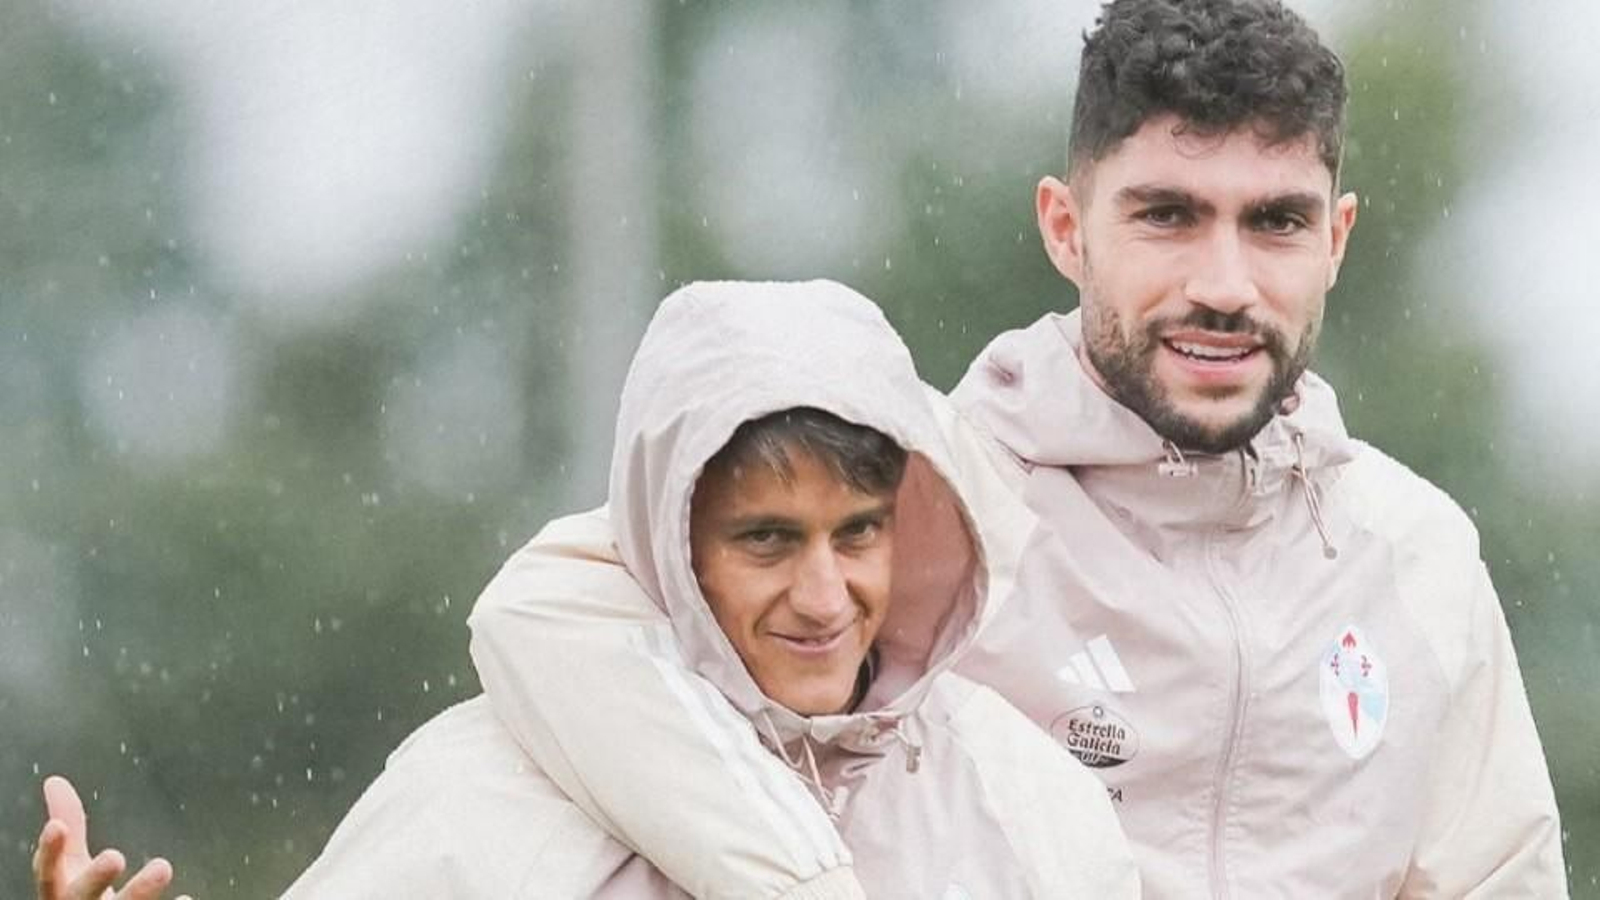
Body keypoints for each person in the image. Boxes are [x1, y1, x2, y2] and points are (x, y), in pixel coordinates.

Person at [466, 1, 1568, 897]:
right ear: (1062, 227)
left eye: (1273, 222)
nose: (1224, 285)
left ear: (1333, 241)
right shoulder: (925, 496)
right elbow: (552, 613)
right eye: (1168, 217)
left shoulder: (1416, 556)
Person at [37, 281, 1138, 899]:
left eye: (857, 535)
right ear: (670, 544)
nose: (822, 595)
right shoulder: (477, 799)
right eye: (765, 539)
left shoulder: (1030, 807)